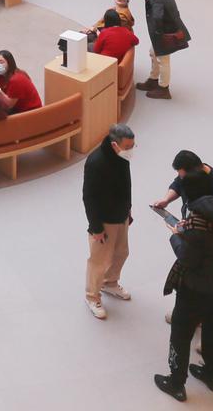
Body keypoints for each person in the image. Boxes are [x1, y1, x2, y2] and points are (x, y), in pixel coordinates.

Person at [154, 178, 213, 401]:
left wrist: (176, 236)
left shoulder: (198, 227)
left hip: (194, 288)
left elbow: (187, 257)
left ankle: (176, 383)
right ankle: (211, 374)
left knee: (181, 333)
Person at [82, 122, 135, 320]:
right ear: (115, 144)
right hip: (104, 220)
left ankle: (110, 283)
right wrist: (96, 227)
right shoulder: (96, 162)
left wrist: (128, 209)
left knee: (122, 252)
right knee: (99, 261)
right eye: (128, 146)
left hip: (121, 215)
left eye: (133, 145)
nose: (131, 150)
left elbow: (126, 185)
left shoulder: (122, 157)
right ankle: (92, 296)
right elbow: (89, 197)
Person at [134, 0, 190, 100]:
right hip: (166, 30)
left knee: (163, 59)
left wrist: (158, 34)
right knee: (153, 52)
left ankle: (164, 88)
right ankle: (153, 79)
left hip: (165, 33)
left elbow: (158, 17)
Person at [152, 150, 213, 221]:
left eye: (182, 175)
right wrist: (166, 200)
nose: (180, 178)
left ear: (192, 173)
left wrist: (188, 229)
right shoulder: (190, 174)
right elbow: (177, 185)